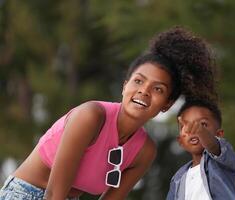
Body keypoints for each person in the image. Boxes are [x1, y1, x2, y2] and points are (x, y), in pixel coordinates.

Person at [0, 27, 217, 200]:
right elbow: (54, 195)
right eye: (138, 81)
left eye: (158, 89)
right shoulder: (91, 116)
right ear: (125, 86)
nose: (144, 91)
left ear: (167, 105)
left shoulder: (144, 151)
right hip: (24, 194)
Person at [166, 97, 235, 200]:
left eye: (203, 124)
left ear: (219, 135)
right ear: (180, 141)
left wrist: (201, 131)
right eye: (185, 126)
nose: (192, 130)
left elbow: (213, 145)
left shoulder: (222, 161)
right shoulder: (178, 177)